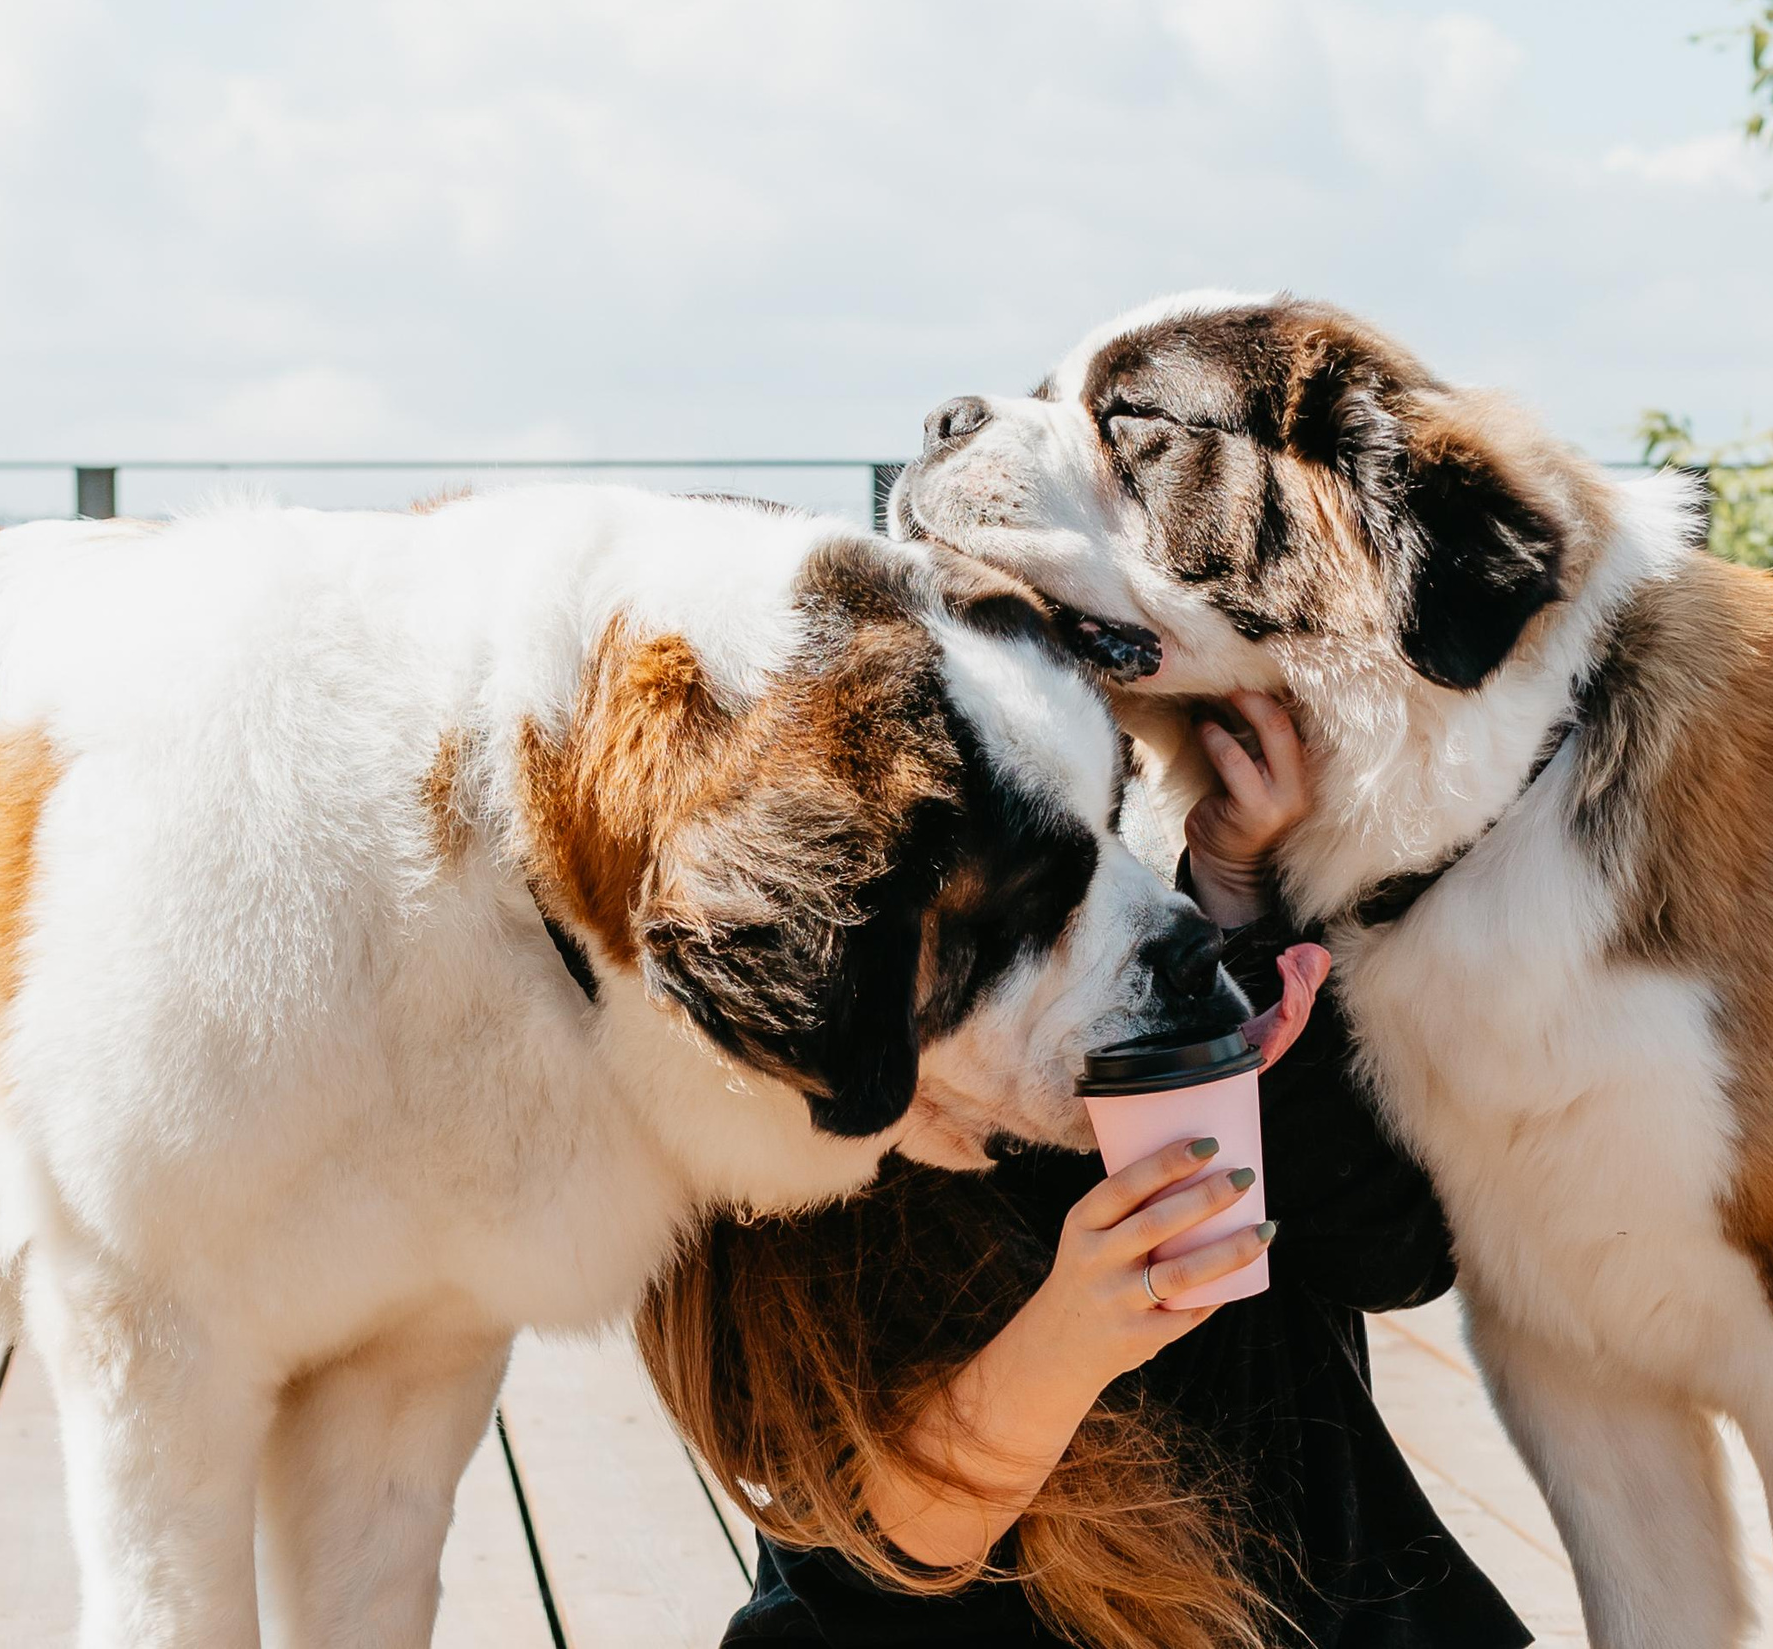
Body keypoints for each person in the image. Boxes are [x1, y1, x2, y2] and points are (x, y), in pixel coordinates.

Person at [642, 695, 1533, 1649]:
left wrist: (1235, 910)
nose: (1113, 907)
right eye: (1029, 893)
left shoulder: (1139, 968)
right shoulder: (769, 1123)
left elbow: (1393, 1258)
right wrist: (1074, 1335)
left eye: (1101, 829)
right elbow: (871, 1557)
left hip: (1326, 1607)